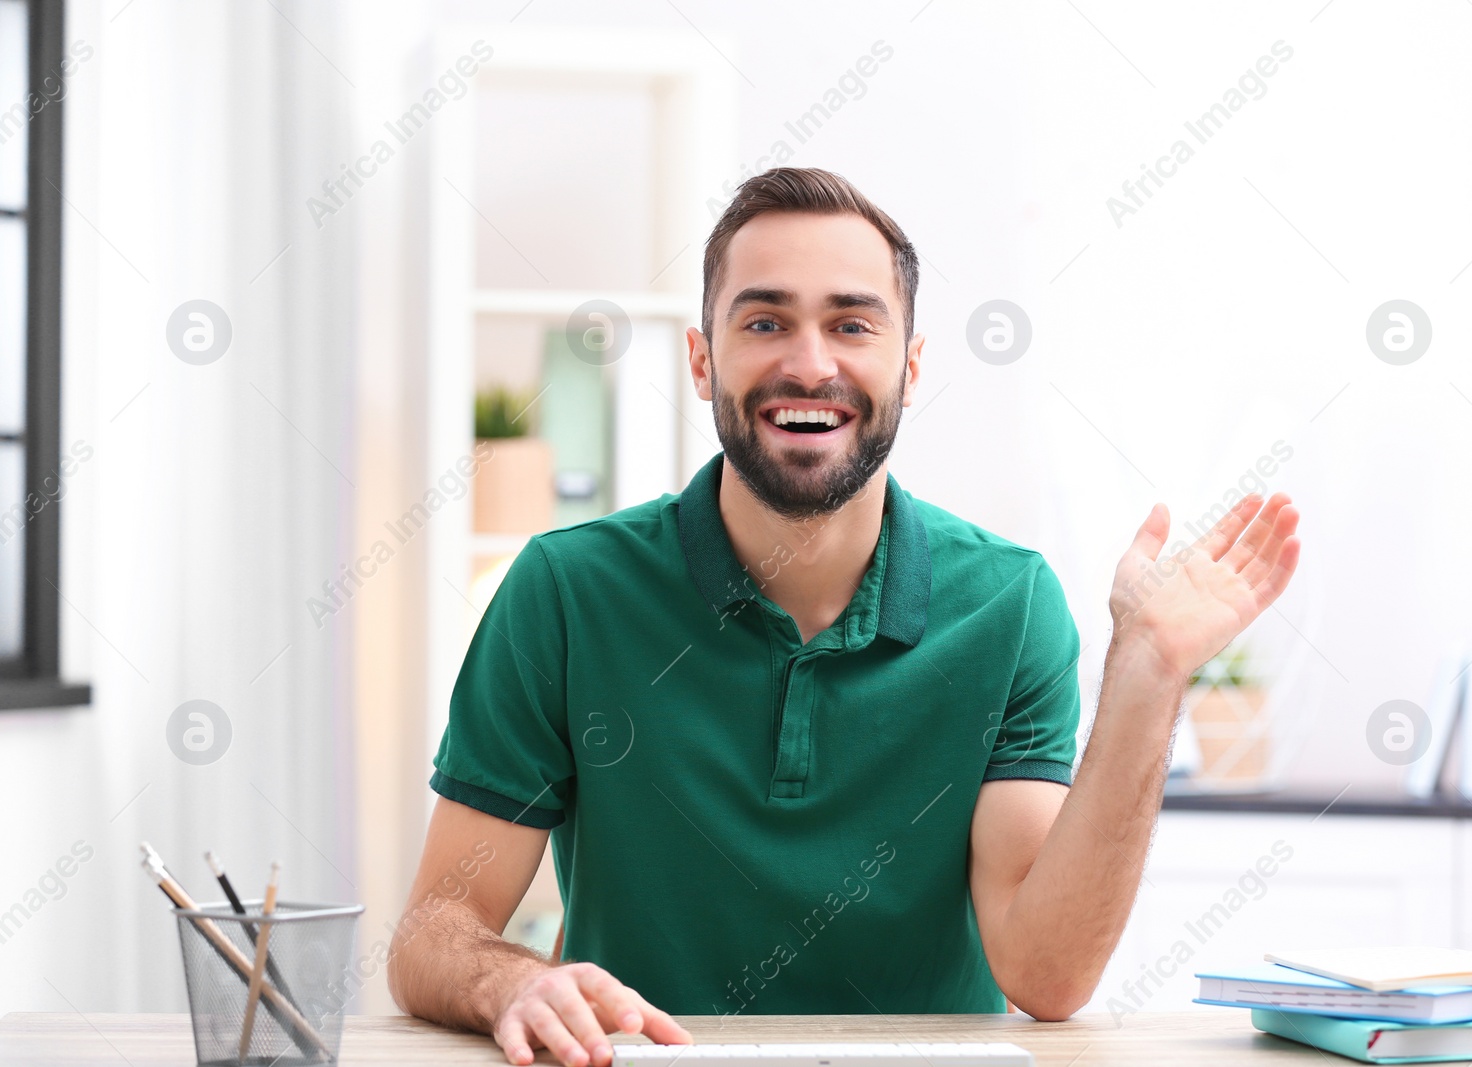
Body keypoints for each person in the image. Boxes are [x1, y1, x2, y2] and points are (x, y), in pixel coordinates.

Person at [387, 167, 1301, 1067]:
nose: (810, 363)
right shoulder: (564, 592)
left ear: (909, 363)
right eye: (765, 321)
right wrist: (506, 979)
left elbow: (1047, 976)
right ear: (703, 361)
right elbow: (434, 930)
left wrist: (1147, 675)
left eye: (851, 323)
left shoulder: (1010, 605)